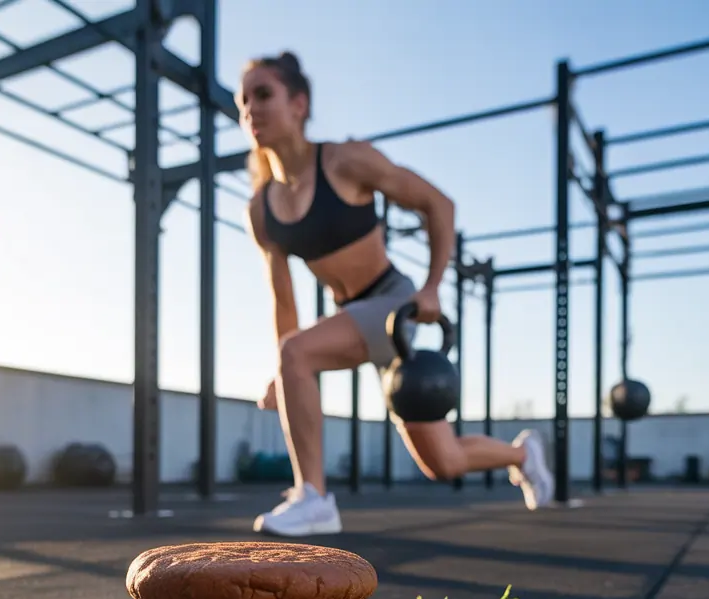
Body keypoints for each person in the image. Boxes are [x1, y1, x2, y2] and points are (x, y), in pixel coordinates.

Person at [237, 51, 555, 537]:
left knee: (297, 353)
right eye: (244, 101)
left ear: (299, 104)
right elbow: (283, 298)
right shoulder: (262, 208)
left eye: (264, 94)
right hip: (354, 317)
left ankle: (314, 498)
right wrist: (285, 371)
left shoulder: (346, 160)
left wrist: (432, 287)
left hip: (393, 305)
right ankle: (522, 453)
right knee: (442, 462)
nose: (251, 109)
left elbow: (438, 204)